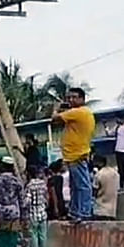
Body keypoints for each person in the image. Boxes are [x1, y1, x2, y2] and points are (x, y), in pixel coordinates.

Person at [52, 87, 96, 222]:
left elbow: (54, 119)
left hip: (77, 155)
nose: (71, 100)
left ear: (82, 99)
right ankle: (76, 212)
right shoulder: (79, 113)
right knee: (76, 186)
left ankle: (83, 212)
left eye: (74, 97)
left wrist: (56, 108)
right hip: (73, 155)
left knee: (82, 186)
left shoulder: (78, 112)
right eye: (69, 97)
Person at [0, 156, 28, 247]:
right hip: (14, 211)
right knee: (12, 234)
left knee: (1, 234)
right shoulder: (17, 181)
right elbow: (22, 199)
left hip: (1, 211)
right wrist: (24, 215)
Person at [24, 166, 48, 247]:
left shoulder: (29, 185)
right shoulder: (42, 183)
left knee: (33, 236)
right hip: (42, 212)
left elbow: (28, 201)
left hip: (33, 213)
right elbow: (46, 197)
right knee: (43, 236)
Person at [92, 156, 119, 221]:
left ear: (100, 163)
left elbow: (95, 190)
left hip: (101, 210)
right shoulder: (115, 173)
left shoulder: (99, 174)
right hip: (113, 210)